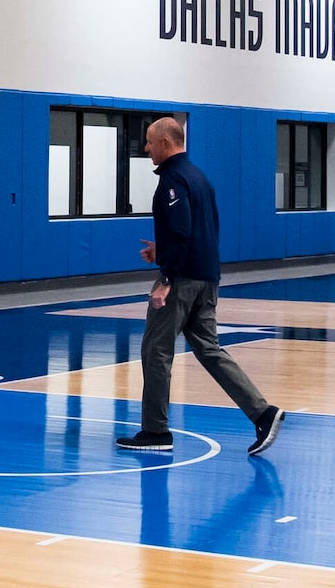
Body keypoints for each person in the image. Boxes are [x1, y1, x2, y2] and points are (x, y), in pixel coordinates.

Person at [115, 115, 284, 457]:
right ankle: (262, 413)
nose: (146, 148)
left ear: (165, 142)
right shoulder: (198, 178)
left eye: (149, 142)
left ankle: (155, 431)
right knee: (209, 349)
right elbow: (197, 231)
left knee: (156, 350)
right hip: (207, 278)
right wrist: (162, 251)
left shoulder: (173, 181)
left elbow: (181, 231)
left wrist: (166, 278)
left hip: (183, 281)